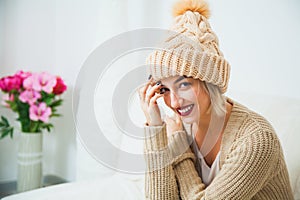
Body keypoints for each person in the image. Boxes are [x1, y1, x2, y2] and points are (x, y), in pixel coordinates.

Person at [138, 0, 294, 199]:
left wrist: (179, 148)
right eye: (164, 89)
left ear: (210, 81)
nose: (175, 103)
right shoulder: (179, 125)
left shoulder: (257, 140)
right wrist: (154, 129)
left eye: (184, 84)